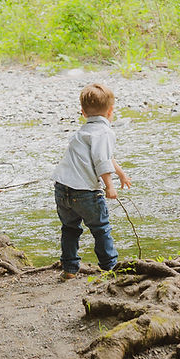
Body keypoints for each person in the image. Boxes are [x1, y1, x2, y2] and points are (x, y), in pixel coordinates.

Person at [51, 83, 131, 279]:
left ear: (83, 112)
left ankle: (69, 269)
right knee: (101, 229)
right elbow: (102, 161)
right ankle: (110, 268)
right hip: (85, 192)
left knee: (70, 229)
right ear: (111, 111)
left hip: (62, 189)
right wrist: (110, 186)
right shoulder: (105, 133)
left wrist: (120, 173)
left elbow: (104, 157)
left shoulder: (83, 132)